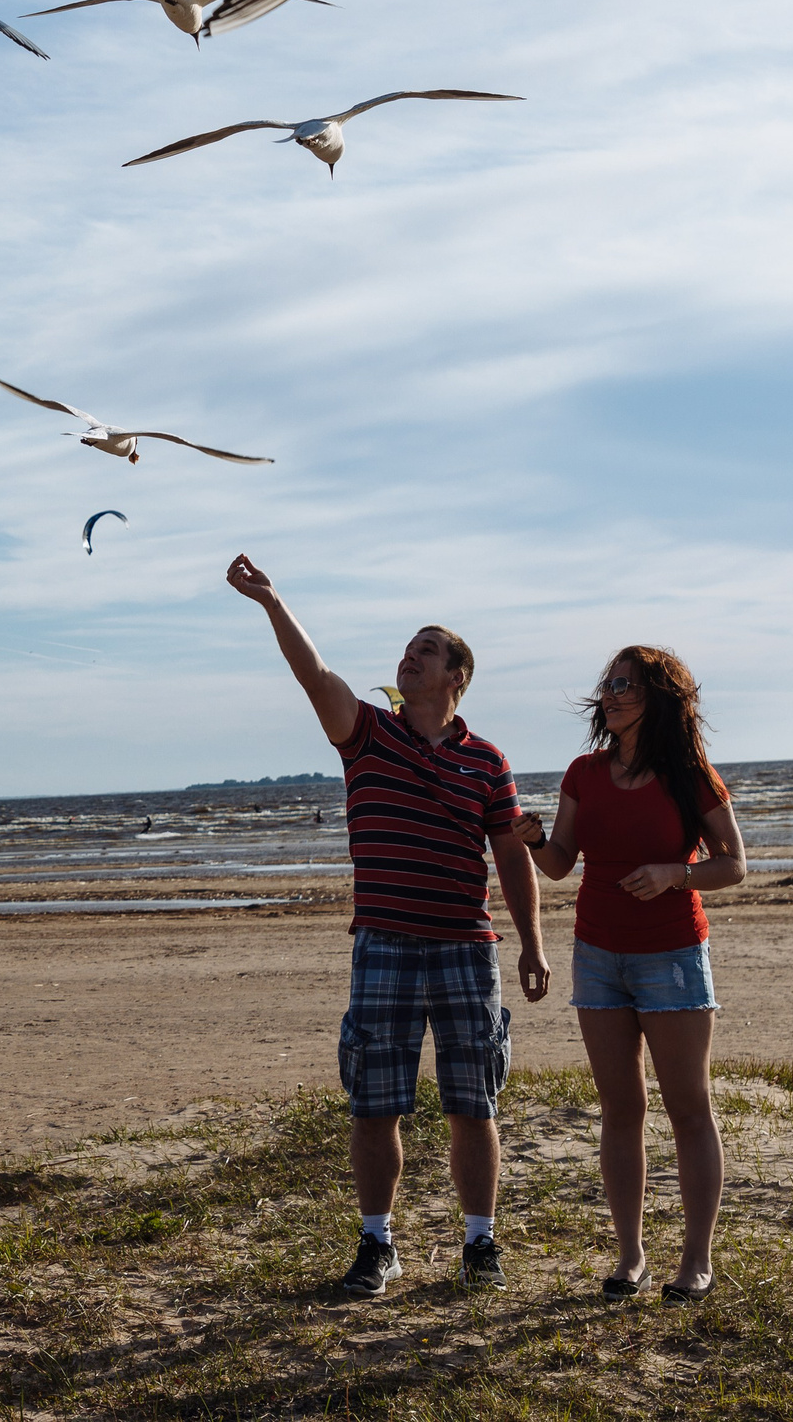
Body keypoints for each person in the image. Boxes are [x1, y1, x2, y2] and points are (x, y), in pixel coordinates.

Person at [226, 555, 549, 1296]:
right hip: (383, 945)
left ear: (455, 677)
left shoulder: (487, 761)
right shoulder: (366, 734)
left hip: (468, 949)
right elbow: (316, 675)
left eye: (426, 650)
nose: (409, 655)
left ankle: (479, 1244)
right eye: (407, 648)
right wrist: (273, 601)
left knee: (474, 1101)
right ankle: (377, 1243)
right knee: (376, 1103)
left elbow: (510, 855)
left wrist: (532, 946)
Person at [518, 647, 746, 1304]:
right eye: (608, 683)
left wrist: (679, 873)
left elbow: (734, 865)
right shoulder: (583, 773)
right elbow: (561, 863)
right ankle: (630, 1256)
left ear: (659, 698)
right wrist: (533, 840)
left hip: (672, 956)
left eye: (626, 684)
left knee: (688, 1109)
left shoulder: (690, 775)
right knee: (621, 1108)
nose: (610, 693)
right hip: (597, 955)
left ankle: (696, 1261)